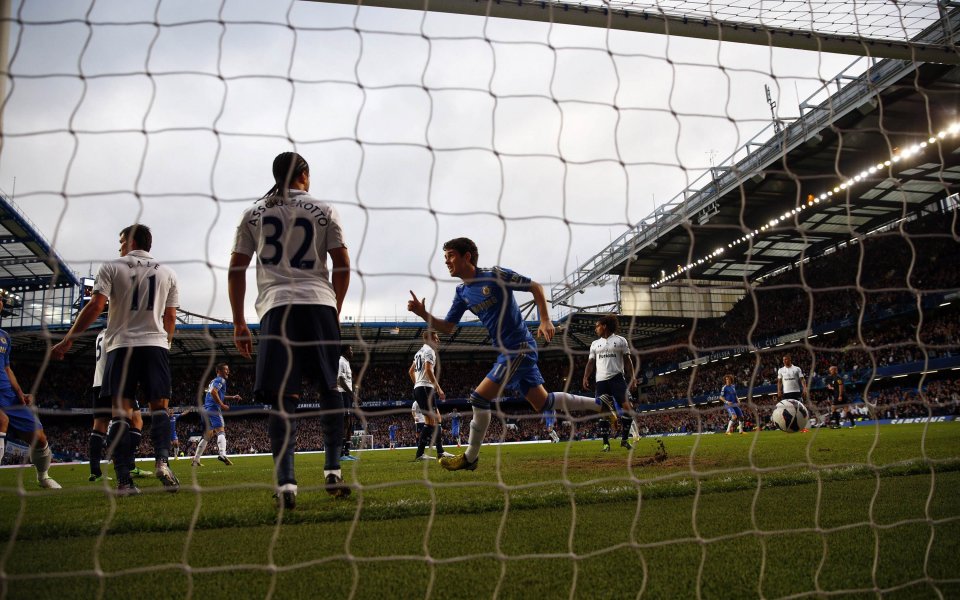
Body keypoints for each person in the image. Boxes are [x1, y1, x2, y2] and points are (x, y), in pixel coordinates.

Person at [407, 237, 617, 471]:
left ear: (467, 257)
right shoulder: (462, 292)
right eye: (445, 257)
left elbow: (535, 287)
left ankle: (470, 457)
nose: (446, 261)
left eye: (451, 256)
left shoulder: (494, 275)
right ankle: (600, 404)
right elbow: (447, 327)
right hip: (507, 352)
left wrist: (545, 319)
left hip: (519, 347)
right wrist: (423, 313)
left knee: (478, 398)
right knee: (543, 402)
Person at [230, 151, 351, 509]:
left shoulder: (253, 213)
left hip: (276, 307)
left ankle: (286, 483)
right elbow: (342, 264)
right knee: (330, 385)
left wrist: (239, 321)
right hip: (318, 303)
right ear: (305, 174)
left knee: (284, 397)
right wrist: (335, 305)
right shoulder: (325, 209)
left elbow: (237, 269)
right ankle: (332, 470)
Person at [52, 224, 180, 495]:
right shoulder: (169, 273)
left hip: (122, 346)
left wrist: (69, 338)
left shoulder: (111, 266)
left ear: (132, 240)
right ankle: (162, 461)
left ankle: (124, 481)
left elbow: (96, 305)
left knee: (120, 414)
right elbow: (170, 317)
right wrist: (164, 344)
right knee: (159, 408)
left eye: (121, 240)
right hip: (154, 346)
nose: (119, 245)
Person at [0, 295, 60, 489]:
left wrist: (19, 392)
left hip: (8, 395)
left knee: (39, 438)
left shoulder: (4, 337)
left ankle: (43, 477)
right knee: (2, 421)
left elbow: (7, 368)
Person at [582, 314, 638, 450]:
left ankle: (624, 440)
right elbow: (591, 362)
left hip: (617, 379)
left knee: (629, 408)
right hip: (601, 382)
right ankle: (606, 443)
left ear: (604, 326)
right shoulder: (595, 344)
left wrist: (633, 376)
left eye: (597, 326)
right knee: (603, 413)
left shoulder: (620, 341)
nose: (596, 329)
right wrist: (585, 376)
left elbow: (627, 360)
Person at [409, 331, 450, 461]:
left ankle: (440, 451)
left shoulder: (418, 352)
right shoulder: (430, 351)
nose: (438, 341)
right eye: (436, 339)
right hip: (426, 388)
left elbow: (410, 371)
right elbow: (427, 369)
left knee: (437, 418)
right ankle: (421, 454)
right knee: (431, 421)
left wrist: (418, 384)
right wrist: (439, 388)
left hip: (421, 388)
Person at [192, 363, 240, 467]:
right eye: (226, 369)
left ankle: (196, 460)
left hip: (206, 408)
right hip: (214, 408)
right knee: (221, 430)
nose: (228, 371)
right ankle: (222, 454)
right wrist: (222, 405)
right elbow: (214, 393)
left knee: (208, 435)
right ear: (219, 371)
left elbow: (217, 394)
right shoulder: (221, 380)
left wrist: (232, 397)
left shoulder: (213, 381)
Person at [777, 354, 809, 433]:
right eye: (783, 360)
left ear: (790, 359)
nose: (784, 361)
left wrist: (805, 388)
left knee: (800, 410)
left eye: (786, 359)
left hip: (796, 392)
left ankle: (803, 427)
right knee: (786, 411)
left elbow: (802, 380)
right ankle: (787, 427)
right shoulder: (780, 370)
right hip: (786, 393)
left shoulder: (797, 369)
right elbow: (779, 382)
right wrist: (779, 390)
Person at [337, 345, 358, 461]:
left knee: (350, 423)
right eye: (351, 350)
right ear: (345, 351)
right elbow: (339, 380)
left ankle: (346, 452)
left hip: (347, 396)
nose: (352, 352)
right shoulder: (341, 362)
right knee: (345, 424)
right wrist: (352, 394)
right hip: (342, 394)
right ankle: (340, 454)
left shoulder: (346, 362)